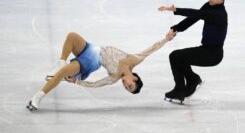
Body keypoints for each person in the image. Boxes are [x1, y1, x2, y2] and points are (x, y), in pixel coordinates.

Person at [27, 31, 175, 112]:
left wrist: (77, 81)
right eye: (129, 86)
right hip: (92, 48)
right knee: (71, 36)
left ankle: (37, 98)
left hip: (91, 61)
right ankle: (60, 63)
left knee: (61, 74)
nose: (125, 85)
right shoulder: (135, 59)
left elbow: (96, 84)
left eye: (126, 88)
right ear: (135, 79)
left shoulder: (114, 77)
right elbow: (152, 49)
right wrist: (166, 39)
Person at [158, 0, 229, 103]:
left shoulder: (219, 14)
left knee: (176, 56)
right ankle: (192, 80)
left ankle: (181, 88)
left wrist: (176, 9)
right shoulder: (209, 6)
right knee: (178, 57)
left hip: (213, 54)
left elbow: (196, 13)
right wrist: (175, 28)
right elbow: (193, 18)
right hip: (205, 49)